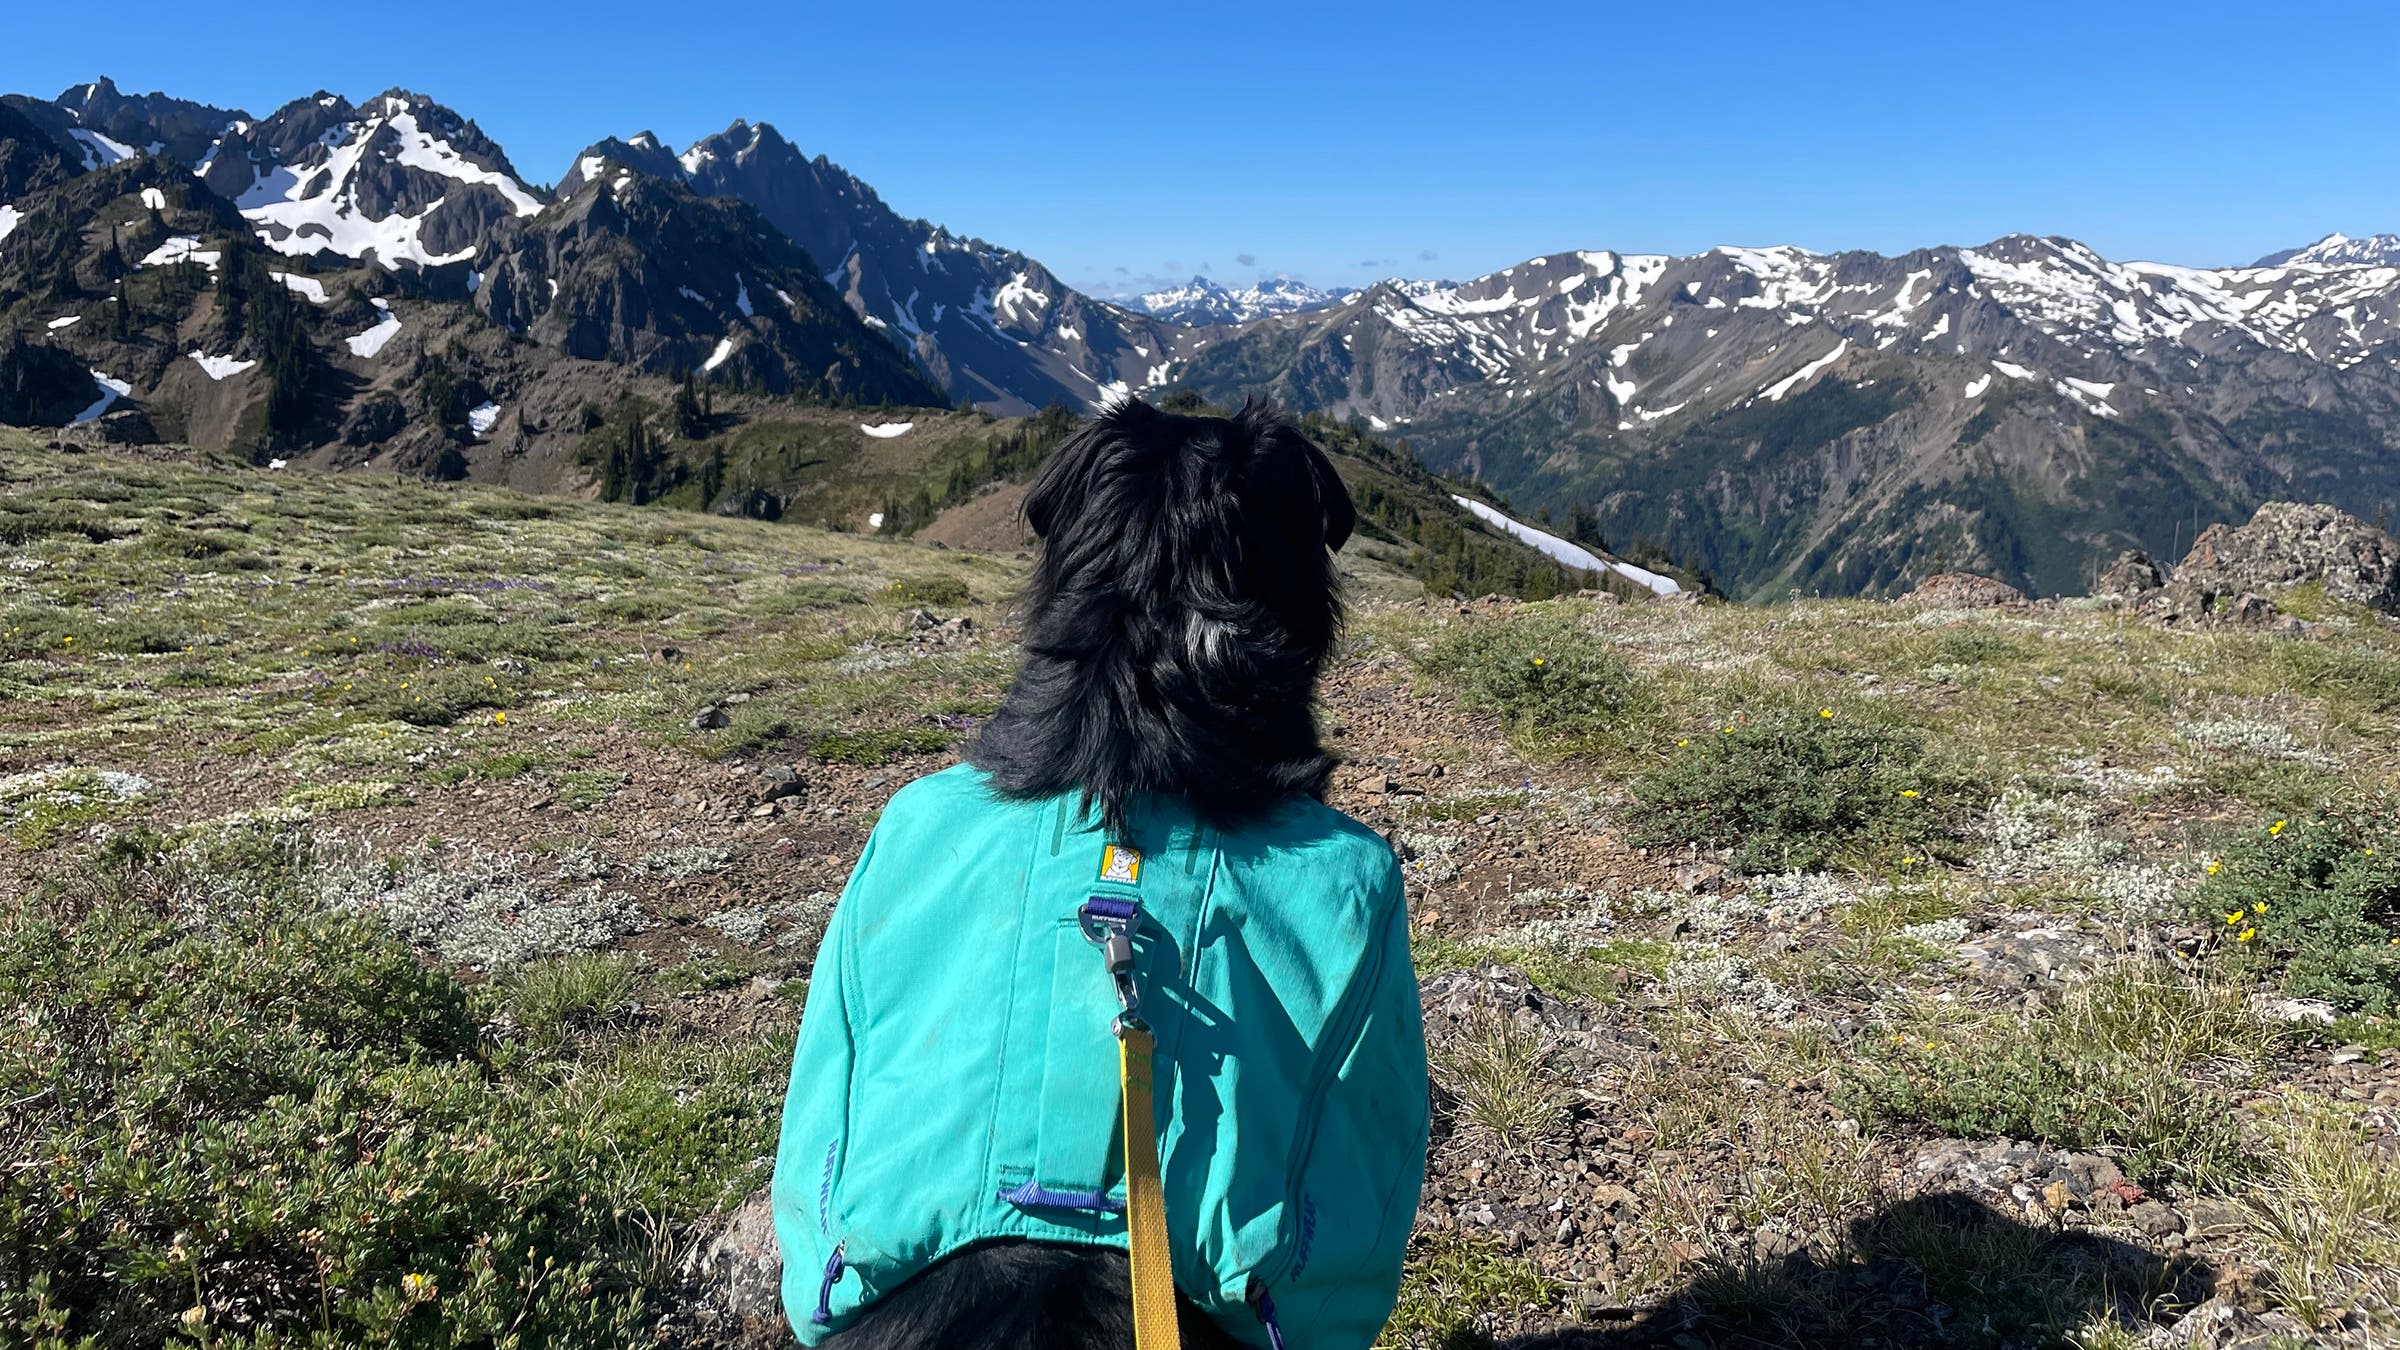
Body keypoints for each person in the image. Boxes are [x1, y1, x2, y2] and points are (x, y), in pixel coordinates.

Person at [770, 396, 1429, 1349]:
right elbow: (1359, 1188)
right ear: (1294, 613)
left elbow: (823, 1133)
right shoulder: (1345, 885)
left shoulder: (919, 827)